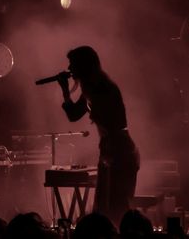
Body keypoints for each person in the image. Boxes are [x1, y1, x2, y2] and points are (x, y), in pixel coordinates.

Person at [57, 45, 140, 228]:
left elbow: (110, 123)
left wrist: (108, 155)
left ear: (83, 66)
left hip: (119, 151)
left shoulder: (102, 88)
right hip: (112, 150)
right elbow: (73, 115)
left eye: (72, 65)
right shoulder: (91, 89)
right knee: (107, 206)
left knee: (114, 206)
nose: (69, 69)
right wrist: (65, 90)